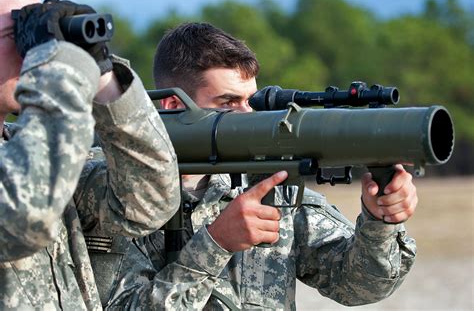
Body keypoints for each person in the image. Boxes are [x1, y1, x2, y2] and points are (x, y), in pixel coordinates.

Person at [102, 22, 417, 310]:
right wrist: (215, 244)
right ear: (174, 106)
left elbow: (359, 286)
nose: (248, 116)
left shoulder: (265, 185)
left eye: (251, 101)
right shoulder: (114, 194)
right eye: (228, 103)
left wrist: (380, 219)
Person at [0, 0, 180, 310]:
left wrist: (101, 72)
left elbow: (147, 204)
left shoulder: (26, 148)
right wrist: (55, 68)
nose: (28, 52)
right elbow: (22, 220)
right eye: (16, 33)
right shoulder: (36, 157)